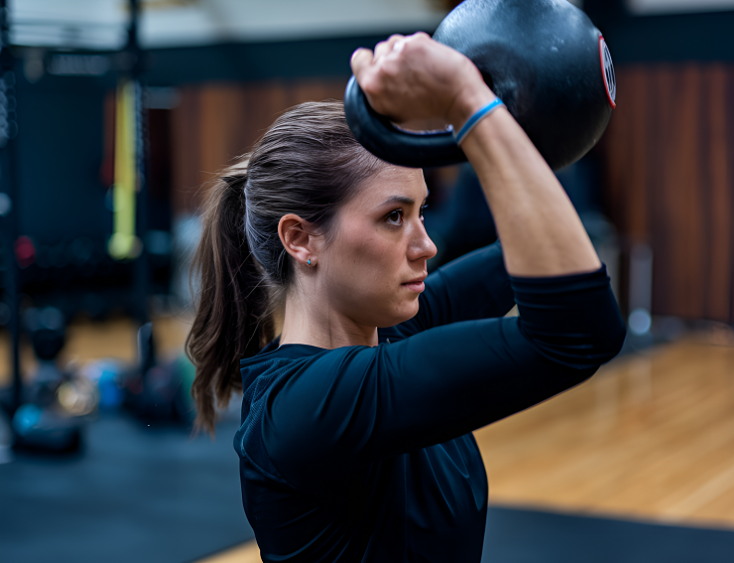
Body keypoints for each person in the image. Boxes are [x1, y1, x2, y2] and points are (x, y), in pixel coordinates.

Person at [186, 33, 625, 563]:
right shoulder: (307, 410)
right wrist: (467, 103)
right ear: (301, 239)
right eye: (394, 217)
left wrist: (503, 118)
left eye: (421, 211)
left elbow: (543, 253)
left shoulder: (393, 329)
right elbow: (577, 332)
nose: (427, 245)